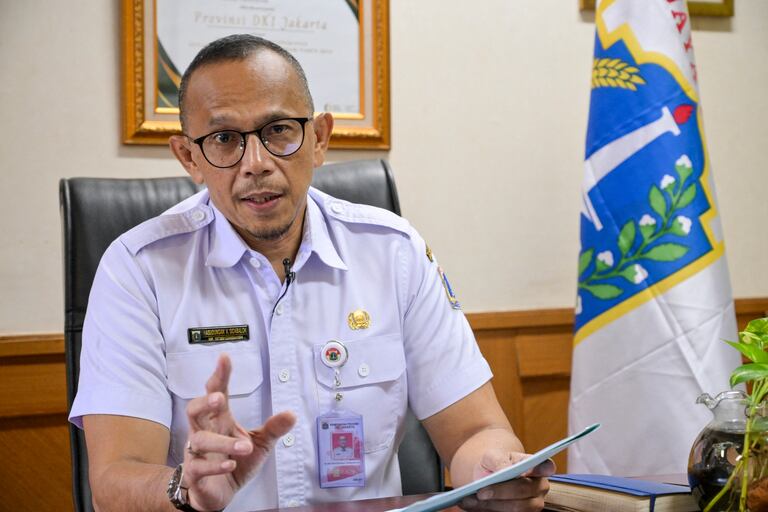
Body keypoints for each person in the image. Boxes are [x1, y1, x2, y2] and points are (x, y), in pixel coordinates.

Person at [69, 34, 554, 512]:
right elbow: (114, 480)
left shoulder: (394, 252)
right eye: (224, 139)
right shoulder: (138, 270)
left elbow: (475, 431)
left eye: (279, 130)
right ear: (189, 158)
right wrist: (184, 489)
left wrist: (493, 471)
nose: (256, 164)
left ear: (319, 138)